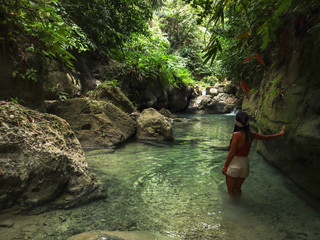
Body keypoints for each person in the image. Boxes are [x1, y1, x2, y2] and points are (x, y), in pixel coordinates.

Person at [222, 111, 285, 201]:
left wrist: (225, 166)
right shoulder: (251, 134)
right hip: (245, 164)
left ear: (237, 122)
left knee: (230, 190)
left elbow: (232, 153)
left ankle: (234, 207)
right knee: (238, 189)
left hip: (235, 164)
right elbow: (267, 137)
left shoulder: (236, 135)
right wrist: (281, 133)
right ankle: (238, 204)